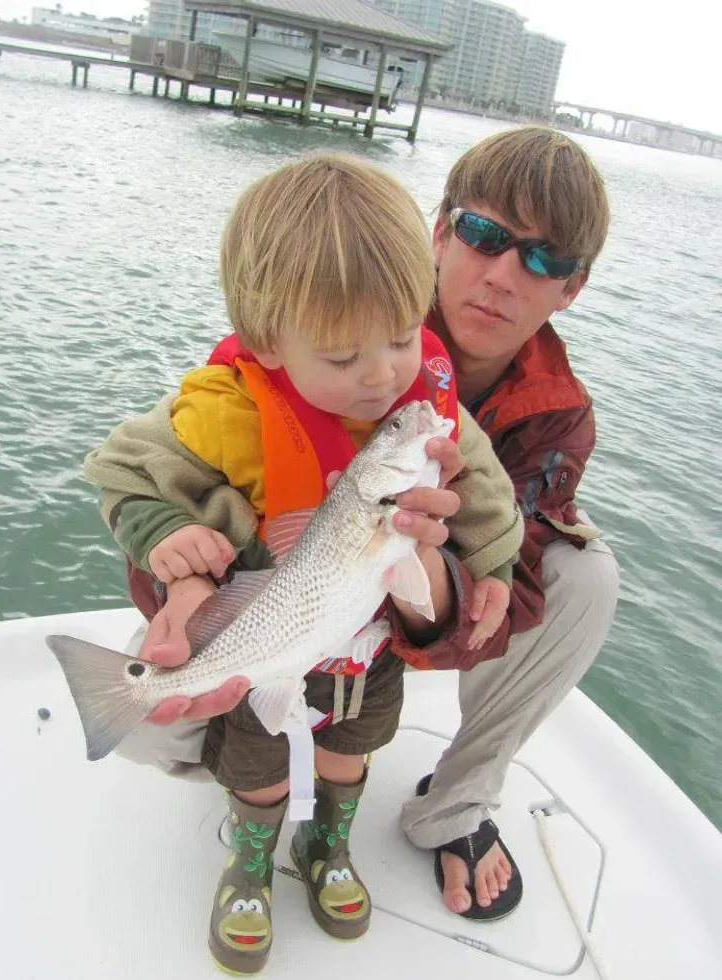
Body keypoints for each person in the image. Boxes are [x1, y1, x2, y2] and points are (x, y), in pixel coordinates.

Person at [88, 125, 619, 927]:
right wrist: (181, 572)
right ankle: (253, 819)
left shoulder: (548, 416)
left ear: (571, 287)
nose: (504, 274)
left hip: (375, 645)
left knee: (588, 574)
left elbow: (497, 561)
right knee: (150, 718)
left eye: (544, 259)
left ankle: (442, 810)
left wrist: (449, 591)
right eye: (484, 234)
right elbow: (143, 470)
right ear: (439, 234)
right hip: (274, 617)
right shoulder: (320, 300)